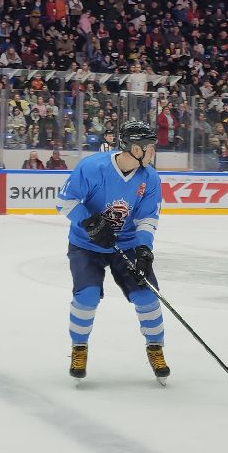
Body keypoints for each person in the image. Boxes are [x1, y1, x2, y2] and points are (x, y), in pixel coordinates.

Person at [55, 120, 167, 383]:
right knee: (87, 297)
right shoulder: (93, 167)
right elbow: (64, 202)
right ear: (133, 148)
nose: (152, 152)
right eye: (148, 147)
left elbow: (147, 219)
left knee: (148, 298)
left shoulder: (150, 178)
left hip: (126, 246)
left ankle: (156, 348)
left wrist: (143, 250)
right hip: (86, 245)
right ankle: (79, 348)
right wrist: (91, 222)